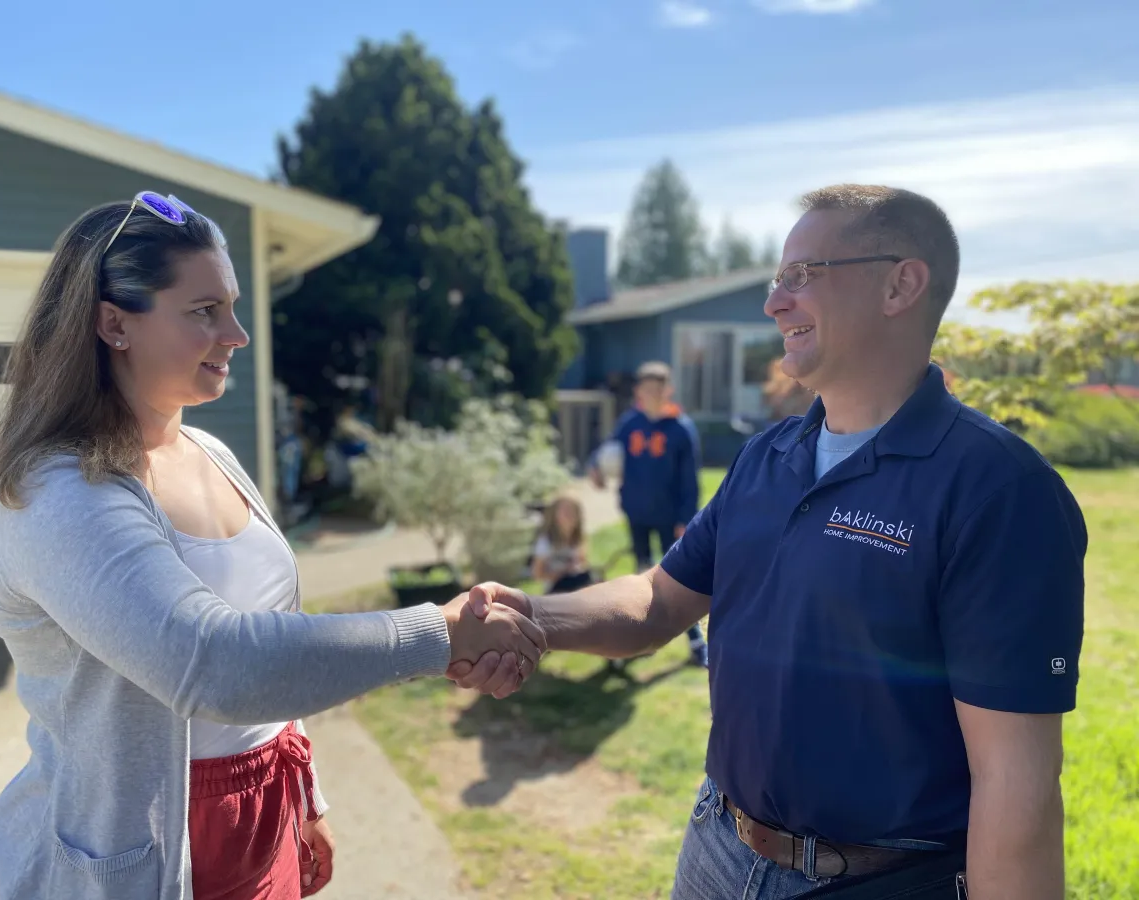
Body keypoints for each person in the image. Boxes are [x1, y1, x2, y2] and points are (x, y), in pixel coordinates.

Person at [449, 184, 1086, 900]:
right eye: (776, 279)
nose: (773, 303)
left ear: (901, 284)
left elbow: (1016, 784)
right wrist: (529, 615)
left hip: (883, 881)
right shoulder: (767, 456)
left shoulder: (999, 491)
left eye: (801, 276)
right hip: (718, 847)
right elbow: (658, 600)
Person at [0, 191, 543, 900]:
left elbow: (276, 635)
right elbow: (213, 662)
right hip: (133, 854)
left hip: (266, 815)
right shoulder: (55, 492)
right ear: (114, 324)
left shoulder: (210, 451)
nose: (237, 334)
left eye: (233, 306)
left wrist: (307, 796)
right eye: (205, 311)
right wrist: (440, 635)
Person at [589, 361, 708, 668]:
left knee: (679, 580)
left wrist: (687, 518)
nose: (652, 394)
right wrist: (596, 468)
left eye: (658, 389)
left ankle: (696, 643)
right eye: (646, 389)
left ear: (667, 390)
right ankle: (640, 637)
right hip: (637, 511)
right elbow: (608, 450)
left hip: (670, 516)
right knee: (642, 574)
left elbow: (689, 479)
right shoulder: (630, 423)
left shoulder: (680, 428)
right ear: (639, 391)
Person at [531, 494, 592, 594]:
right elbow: (537, 574)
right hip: (555, 589)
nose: (569, 514)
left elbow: (583, 563)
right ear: (554, 515)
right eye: (564, 511)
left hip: (577, 585)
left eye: (573, 511)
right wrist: (558, 574)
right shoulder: (546, 541)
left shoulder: (579, 539)